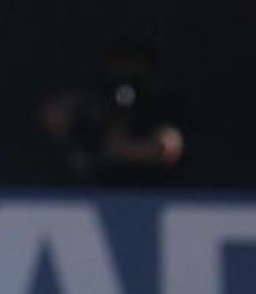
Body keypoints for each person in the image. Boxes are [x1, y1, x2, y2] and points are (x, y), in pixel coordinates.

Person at [39, 38, 185, 185]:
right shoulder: (96, 100)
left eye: (133, 65)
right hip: (94, 188)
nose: (126, 72)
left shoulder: (161, 105)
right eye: (120, 64)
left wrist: (119, 148)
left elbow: (168, 148)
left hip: (150, 188)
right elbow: (53, 116)